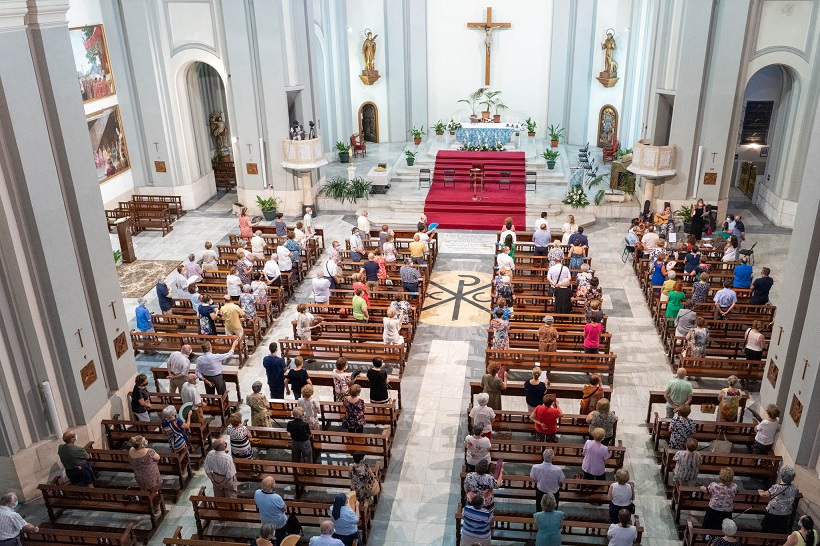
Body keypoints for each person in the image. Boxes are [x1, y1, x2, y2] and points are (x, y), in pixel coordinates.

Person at [759, 465, 799, 534]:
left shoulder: (776, 487)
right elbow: (796, 493)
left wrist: (760, 491)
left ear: (781, 476)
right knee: (780, 529)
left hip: (773, 511)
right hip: (786, 512)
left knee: (768, 529)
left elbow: (765, 494)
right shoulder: (794, 488)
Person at [255, 476, 288, 543]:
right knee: (280, 538)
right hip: (278, 523)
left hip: (265, 521)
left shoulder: (257, 493)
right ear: (272, 486)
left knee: (267, 537)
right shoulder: (276, 497)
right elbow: (284, 509)